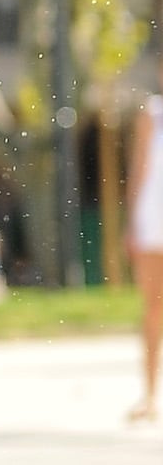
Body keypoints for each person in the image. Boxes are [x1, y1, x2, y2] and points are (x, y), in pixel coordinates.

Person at [126, 66, 163, 423]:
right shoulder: (151, 113)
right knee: (152, 310)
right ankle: (150, 396)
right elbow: (138, 169)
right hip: (154, 223)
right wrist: (131, 224)